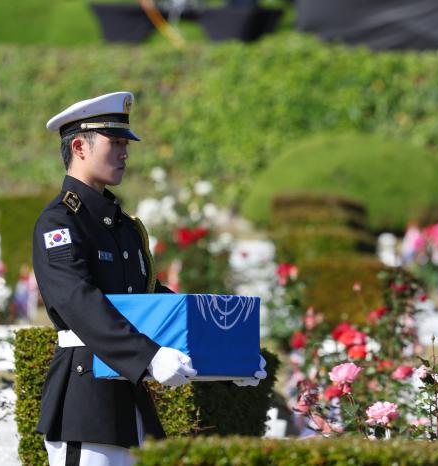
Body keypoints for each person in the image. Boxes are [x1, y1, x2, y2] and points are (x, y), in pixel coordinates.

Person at [32, 91, 265, 466]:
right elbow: (78, 301)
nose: (125, 153)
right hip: (86, 403)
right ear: (79, 146)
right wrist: (148, 357)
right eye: (116, 142)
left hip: (131, 404)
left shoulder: (122, 227)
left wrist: (228, 354)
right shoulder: (60, 222)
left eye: (126, 143)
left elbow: (154, 300)